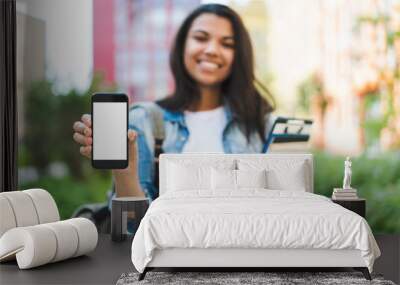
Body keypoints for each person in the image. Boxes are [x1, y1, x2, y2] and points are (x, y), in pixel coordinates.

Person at [72, 4, 275, 202]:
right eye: (201, 38)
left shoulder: (261, 124)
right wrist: (124, 173)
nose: (213, 49)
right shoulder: (145, 120)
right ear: (182, 46)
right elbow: (133, 227)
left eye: (227, 44)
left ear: (238, 56)